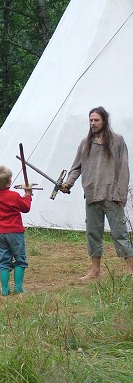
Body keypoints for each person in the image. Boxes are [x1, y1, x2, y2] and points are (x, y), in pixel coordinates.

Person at [61, 106, 133, 279]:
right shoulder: (85, 143)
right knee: (93, 233)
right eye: (91, 120)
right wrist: (67, 184)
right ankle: (95, 270)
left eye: (96, 120)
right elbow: (75, 167)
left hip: (112, 195)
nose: (93, 123)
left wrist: (121, 194)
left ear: (104, 121)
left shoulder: (117, 141)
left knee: (120, 233)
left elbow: (124, 168)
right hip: (92, 194)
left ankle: (131, 269)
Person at [0, 165, 33, 295]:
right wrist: (28, 194)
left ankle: (4, 289)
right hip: (14, 231)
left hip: (0, 232)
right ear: (9, 181)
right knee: (20, 259)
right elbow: (25, 207)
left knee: (4, 260)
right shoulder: (14, 195)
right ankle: (18, 288)